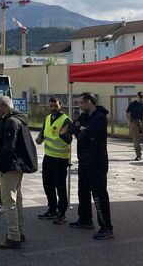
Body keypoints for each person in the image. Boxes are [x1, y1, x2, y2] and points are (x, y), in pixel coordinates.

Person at [0, 96, 37, 250]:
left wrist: (0, 165)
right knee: (17, 200)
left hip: (9, 167)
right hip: (16, 167)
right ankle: (19, 232)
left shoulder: (11, 122)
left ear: (4, 106)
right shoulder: (19, 119)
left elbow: (8, 148)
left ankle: (13, 236)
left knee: (9, 202)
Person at [69, 92, 114, 240]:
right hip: (84, 160)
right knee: (83, 190)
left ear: (89, 102)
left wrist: (82, 131)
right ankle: (85, 219)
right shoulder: (84, 117)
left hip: (97, 162)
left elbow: (88, 134)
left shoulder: (100, 118)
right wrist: (80, 130)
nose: (80, 106)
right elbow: (72, 128)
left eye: (81, 103)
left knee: (99, 195)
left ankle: (106, 227)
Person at [35, 97, 72, 224]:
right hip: (48, 157)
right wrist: (39, 138)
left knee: (60, 187)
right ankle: (52, 209)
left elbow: (69, 140)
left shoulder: (66, 120)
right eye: (51, 106)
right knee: (48, 184)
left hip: (60, 159)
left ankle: (61, 213)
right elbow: (43, 132)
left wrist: (63, 134)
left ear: (60, 106)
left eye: (55, 106)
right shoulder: (47, 118)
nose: (53, 108)